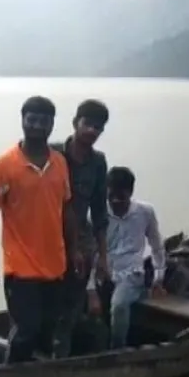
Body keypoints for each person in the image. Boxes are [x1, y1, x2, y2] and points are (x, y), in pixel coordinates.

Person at [0, 96, 79, 364]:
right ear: (22, 121)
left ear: (51, 124)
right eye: (31, 120)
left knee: (48, 330)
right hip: (20, 267)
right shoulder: (4, 165)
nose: (37, 126)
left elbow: (66, 209)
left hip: (55, 264)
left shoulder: (59, 163)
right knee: (25, 330)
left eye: (43, 121)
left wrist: (75, 249)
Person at [50, 99, 110, 358]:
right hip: (46, 240)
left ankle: (61, 361)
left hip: (79, 243)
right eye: (88, 124)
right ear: (76, 123)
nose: (92, 131)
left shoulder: (98, 162)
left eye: (98, 127)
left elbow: (98, 211)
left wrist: (103, 257)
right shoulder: (52, 154)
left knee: (70, 307)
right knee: (39, 305)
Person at [85, 167, 166, 349]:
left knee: (119, 305)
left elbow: (156, 246)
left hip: (132, 272)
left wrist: (158, 278)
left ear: (130, 193)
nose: (116, 202)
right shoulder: (96, 216)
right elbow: (90, 253)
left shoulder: (145, 212)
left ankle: (117, 349)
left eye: (120, 198)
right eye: (111, 197)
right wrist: (90, 291)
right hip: (103, 271)